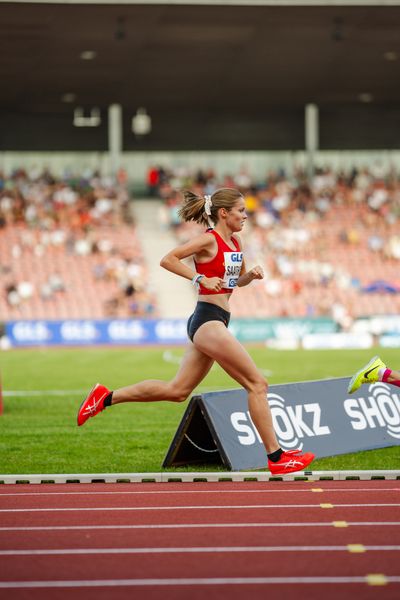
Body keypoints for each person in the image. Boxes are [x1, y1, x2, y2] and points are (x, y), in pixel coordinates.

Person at [77, 188, 315, 475]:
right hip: (207, 320)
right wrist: (199, 277)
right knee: (257, 384)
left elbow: (231, 283)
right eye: (241, 210)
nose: (245, 215)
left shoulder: (235, 242)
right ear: (224, 213)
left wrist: (248, 277)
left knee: (177, 391)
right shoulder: (208, 240)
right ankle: (276, 458)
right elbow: (168, 259)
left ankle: (104, 397)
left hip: (215, 319)